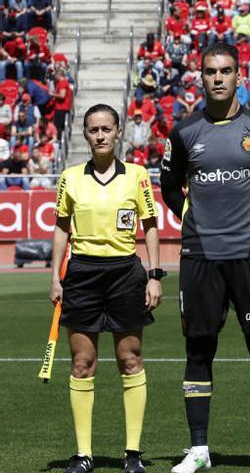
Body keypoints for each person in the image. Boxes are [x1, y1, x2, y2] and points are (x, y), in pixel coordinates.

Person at [159, 42, 250, 473]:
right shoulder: (183, 133)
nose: (218, 78)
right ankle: (199, 449)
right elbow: (168, 186)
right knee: (199, 349)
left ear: (240, 76)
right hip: (200, 255)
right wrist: (195, 220)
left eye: (226, 70)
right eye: (211, 71)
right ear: (201, 77)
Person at [51, 104, 163, 473]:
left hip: (125, 274)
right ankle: (83, 454)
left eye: (106, 129)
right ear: (85, 134)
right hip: (82, 273)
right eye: (93, 129)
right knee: (83, 364)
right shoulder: (70, 177)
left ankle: (133, 454)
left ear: (118, 132)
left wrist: (153, 274)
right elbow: (62, 229)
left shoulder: (137, 176)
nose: (100, 135)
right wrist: (56, 276)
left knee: (130, 360)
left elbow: (149, 225)